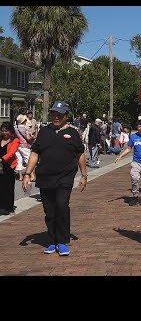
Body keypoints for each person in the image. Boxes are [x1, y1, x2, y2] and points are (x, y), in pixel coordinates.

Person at [22, 101, 88, 256]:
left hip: (65, 177)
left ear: (66, 116)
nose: (56, 117)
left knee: (62, 205)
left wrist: (84, 175)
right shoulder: (44, 132)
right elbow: (34, 154)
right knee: (50, 211)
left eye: (59, 114)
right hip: (45, 177)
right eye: (54, 114)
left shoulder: (72, 133)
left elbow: (80, 155)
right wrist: (27, 174)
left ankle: (62, 241)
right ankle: (52, 240)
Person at [115, 119, 141, 206]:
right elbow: (129, 148)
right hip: (136, 162)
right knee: (134, 178)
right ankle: (135, 196)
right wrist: (120, 156)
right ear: (137, 127)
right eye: (139, 126)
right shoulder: (133, 137)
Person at [0, 122, 20, 215]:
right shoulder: (0, 138)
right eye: (2, 130)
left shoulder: (15, 140)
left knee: (7, 187)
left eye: (6, 131)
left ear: (11, 131)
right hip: (0, 166)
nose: (4, 133)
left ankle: (7, 206)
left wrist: (2, 159)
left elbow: (11, 153)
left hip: (8, 166)